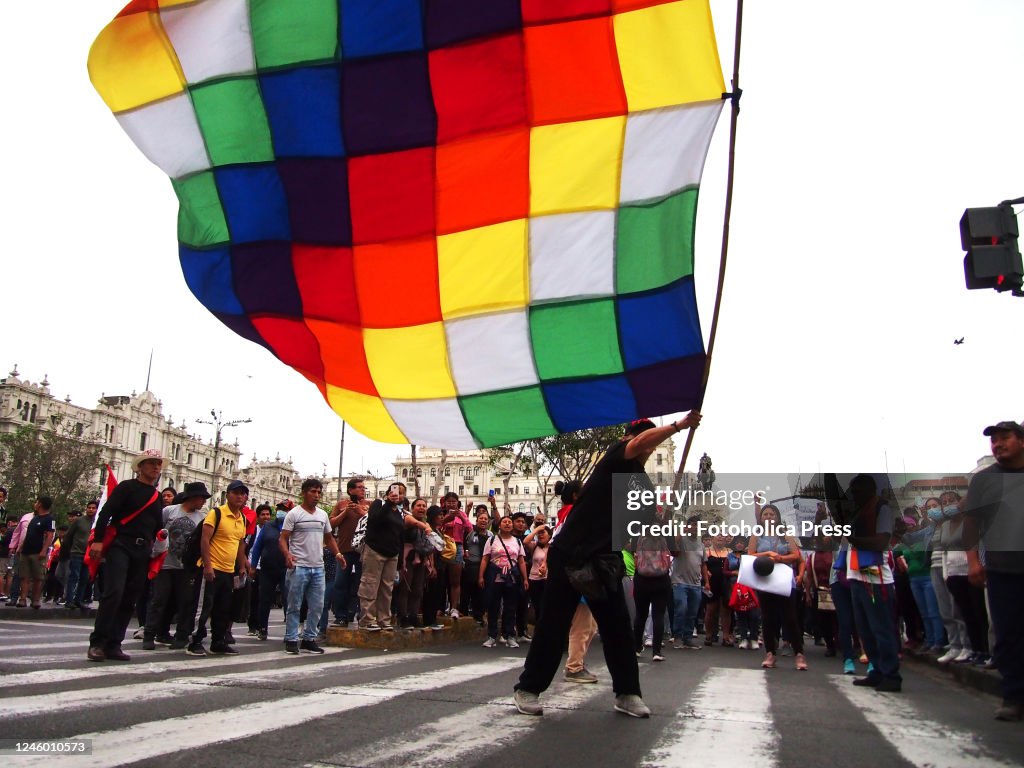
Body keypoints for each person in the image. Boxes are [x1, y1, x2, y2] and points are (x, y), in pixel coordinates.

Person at [514, 412, 702, 719]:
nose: (648, 449)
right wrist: (679, 425)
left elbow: (637, 530)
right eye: (645, 442)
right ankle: (528, 688)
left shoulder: (641, 484)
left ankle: (627, 693)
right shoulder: (617, 454)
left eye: (651, 446)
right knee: (553, 624)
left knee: (618, 629)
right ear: (632, 440)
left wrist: (659, 518)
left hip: (604, 562)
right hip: (570, 554)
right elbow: (639, 440)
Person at [963, 420, 1024, 721]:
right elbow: (971, 524)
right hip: (1002, 569)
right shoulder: (984, 480)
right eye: (994, 441)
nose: (998, 444)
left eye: (1005, 438)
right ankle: (1013, 696)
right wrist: (973, 562)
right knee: (1008, 634)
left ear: (1021, 441)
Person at [87, 448, 166, 661]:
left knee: (130, 596)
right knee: (113, 592)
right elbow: (106, 513)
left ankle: (114, 644)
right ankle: (98, 643)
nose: (156, 467)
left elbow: (157, 526)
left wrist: (160, 542)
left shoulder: (156, 496)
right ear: (140, 467)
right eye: (151, 463)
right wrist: (98, 541)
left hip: (142, 551)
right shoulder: (127, 487)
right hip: (121, 545)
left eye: (158, 464)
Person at [842, 474, 901, 692]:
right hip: (857, 575)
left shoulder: (882, 509)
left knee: (881, 628)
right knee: (865, 629)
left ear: (868, 490)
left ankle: (891, 674)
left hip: (875, 578)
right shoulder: (856, 513)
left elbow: (881, 540)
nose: (854, 496)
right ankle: (876, 670)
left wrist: (853, 539)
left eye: (856, 492)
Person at [281, 478, 343, 654]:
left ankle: (309, 638)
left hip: (317, 567)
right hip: (298, 566)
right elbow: (283, 538)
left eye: (318, 492)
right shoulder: (293, 514)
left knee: (317, 605)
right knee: (295, 605)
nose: (316, 496)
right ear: (303, 493)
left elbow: (329, 538)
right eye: (313, 492)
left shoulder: (322, 515)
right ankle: (292, 638)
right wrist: (287, 555)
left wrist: (338, 554)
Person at [146, 482, 211, 650]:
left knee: (184, 602)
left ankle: (181, 635)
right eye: (202, 498)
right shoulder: (169, 512)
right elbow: (156, 531)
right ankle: (151, 633)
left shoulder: (201, 518)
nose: (203, 502)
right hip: (166, 564)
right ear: (193, 497)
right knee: (160, 600)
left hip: (187, 567)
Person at [187, 479, 248, 656]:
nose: (239, 497)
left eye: (242, 494)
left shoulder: (242, 518)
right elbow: (204, 539)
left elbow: (240, 544)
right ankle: (195, 641)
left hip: (229, 571)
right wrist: (207, 566)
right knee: (204, 607)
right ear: (227, 495)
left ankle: (218, 641)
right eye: (236, 493)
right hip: (211, 568)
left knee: (223, 608)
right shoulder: (216, 513)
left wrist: (241, 566)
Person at [358, 483, 430, 631]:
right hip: (375, 550)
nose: (398, 495)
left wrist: (399, 558)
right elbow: (375, 519)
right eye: (395, 492)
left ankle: (384, 619)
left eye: (402, 493)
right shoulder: (379, 504)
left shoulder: (399, 512)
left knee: (387, 587)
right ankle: (367, 619)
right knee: (370, 584)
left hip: (392, 553)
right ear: (388, 492)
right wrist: (388, 502)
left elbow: (400, 535)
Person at [748, 503, 806, 670]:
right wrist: (767, 554)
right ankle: (770, 653)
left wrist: (780, 558)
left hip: (784, 579)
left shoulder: (786, 535)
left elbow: (796, 555)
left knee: (790, 617)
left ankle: (799, 654)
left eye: (771, 514)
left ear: (777, 517)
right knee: (767, 618)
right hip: (765, 580)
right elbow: (750, 555)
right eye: (765, 514)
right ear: (761, 518)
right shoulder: (756, 536)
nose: (768, 517)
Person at [480, 515, 528, 648]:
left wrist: (525, 579)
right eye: (504, 522)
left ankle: (509, 635)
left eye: (509, 522)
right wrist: (481, 576)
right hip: (495, 577)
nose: (507, 524)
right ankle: (491, 636)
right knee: (493, 606)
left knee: (511, 607)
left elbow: (521, 561)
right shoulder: (492, 540)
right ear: (499, 525)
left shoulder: (517, 542)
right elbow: (485, 559)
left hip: (512, 578)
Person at [330, 478, 369, 627]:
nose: (362, 490)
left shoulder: (369, 506)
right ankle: (341, 615)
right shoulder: (341, 505)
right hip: (344, 551)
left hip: (363, 551)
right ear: (350, 490)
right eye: (359, 487)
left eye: (364, 488)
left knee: (360, 584)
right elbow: (331, 524)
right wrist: (345, 512)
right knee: (340, 583)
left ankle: (358, 613)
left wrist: (361, 512)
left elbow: (373, 522)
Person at [249, 502, 289, 641]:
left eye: (285, 510)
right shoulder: (268, 526)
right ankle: (262, 628)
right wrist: (253, 566)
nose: (281, 512)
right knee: (264, 600)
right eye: (280, 509)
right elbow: (258, 547)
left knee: (288, 599)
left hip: (286, 569)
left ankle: (290, 631)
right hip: (267, 569)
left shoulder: (292, 527)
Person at [671, 517, 706, 650]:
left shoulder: (701, 544)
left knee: (692, 612)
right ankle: (677, 636)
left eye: (697, 525)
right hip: (679, 581)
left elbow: (703, 564)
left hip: (696, 583)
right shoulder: (682, 539)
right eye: (692, 525)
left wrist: (706, 582)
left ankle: (688, 638)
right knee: (681, 609)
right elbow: (673, 549)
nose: (695, 527)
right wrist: (682, 530)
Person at [16, 496, 55, 609]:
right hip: (26, 551)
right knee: (24, 576)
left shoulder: (49, 519)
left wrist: (44, 550)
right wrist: (21, 546)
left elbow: (50, 535)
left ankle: (36, 600)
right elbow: (29, 534)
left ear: (41, 504)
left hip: (38, 553)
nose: (35, 504)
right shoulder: (34, 518)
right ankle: (22, 599)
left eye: (37, 502)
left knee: (38, 577)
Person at [440, 492, 472, 620]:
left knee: (455, 580)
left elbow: (470, 529)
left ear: (457, 503)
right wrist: (445, 519)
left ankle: (454, 608)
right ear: (445, 503)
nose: (451, 504)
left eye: (454, 501)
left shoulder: (461, 514)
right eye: (449, 501)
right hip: (442, 546)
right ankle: (440, 607)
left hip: (457, 547)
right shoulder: (441, 514)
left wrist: (462, 517)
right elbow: (435, 528)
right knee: (440, 579)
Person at [63, 500, 97, 610]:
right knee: (74, 576)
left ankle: (78, 600)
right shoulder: (79, 521)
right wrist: (68, 550)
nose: (91, 510)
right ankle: (69, 600)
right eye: (89, 507)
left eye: (93, 508)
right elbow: (69, 536)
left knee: (84, 578)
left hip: (89, 555)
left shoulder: (97, 523)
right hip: (77, 552)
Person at [704, 534, 734, 646]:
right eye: (717, 535)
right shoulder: (707, 551)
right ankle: (709, 635)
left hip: (726, 583)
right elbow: (702, 565)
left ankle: (726, 636)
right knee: (710, 610)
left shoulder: (730, 551)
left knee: (726, 610)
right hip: (712, 584)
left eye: (722, 536)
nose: (720, 537)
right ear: (712, 538)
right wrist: (706, 576)